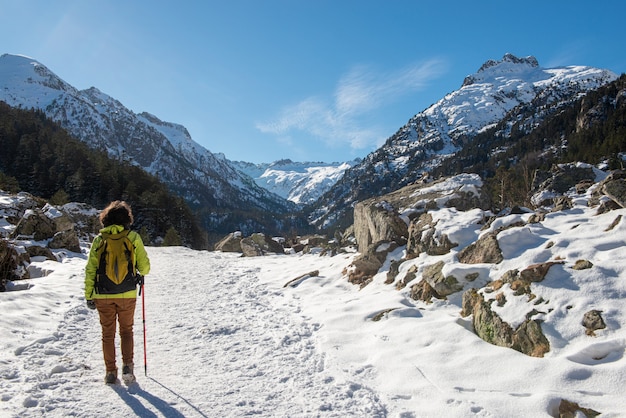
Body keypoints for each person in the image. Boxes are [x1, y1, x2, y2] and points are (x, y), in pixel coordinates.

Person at [84, 200, 150, 384]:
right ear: (127, 219)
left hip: (103, 295)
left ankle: (110, 372)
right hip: (127, 293)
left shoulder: (99, 240)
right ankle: (127, 366)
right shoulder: (133, 237)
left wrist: (89, 295)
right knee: (127, 331)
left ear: (105, 220)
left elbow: (90, 270)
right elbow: (145, 268)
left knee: (107, 334)